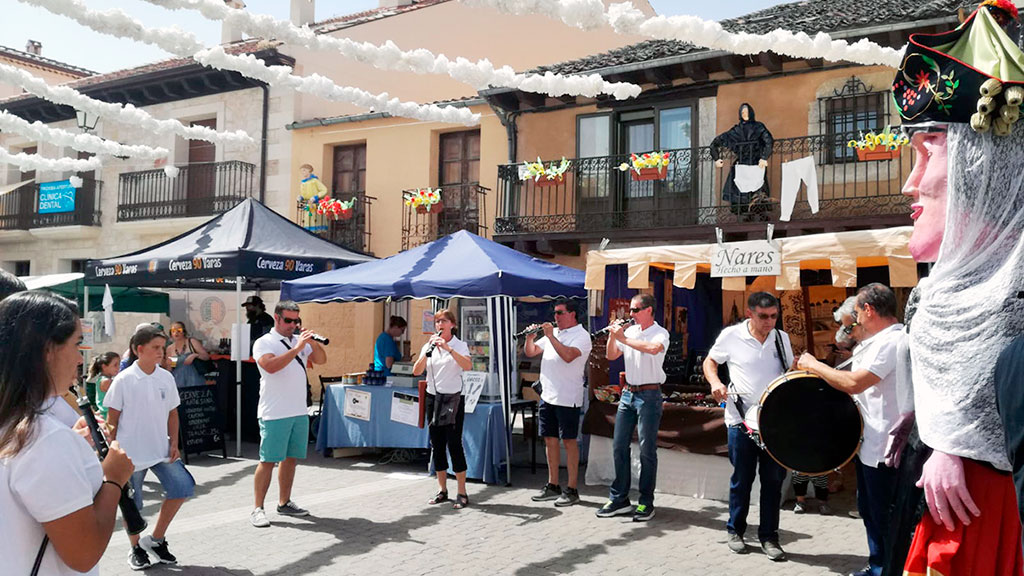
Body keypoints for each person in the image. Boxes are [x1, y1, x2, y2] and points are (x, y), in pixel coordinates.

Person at [888, 2, 1024, 573]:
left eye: (925, 155)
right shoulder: (943, 293)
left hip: (986, 513)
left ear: (982, 167)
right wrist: (930, 421)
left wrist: (960, 443)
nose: (909, 183)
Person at [0, 291, 135, 575]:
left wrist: (71, 443)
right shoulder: (43, 438)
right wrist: (114, 478)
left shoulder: (15, 423)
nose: (79, 357)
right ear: (48, 349)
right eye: (76, 344)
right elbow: (83, 553)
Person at [799, 284, 904, 576]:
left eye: (857, 312)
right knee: (870, 511)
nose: (855, 319)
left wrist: (814, 365)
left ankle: (887, 568)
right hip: (870, 443)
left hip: (886, 446)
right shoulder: (876, 341)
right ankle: (877, 564)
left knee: (884, 514)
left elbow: (854, 383)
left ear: (868, 310)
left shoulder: (891, 342)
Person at [703, 291, 793, 561]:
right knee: (742, 480)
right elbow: (710, 362)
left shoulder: (781, 338)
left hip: (773, 423)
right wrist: (715, 383)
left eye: (774, 316)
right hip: (740, 421)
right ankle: (735, 530)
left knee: (773, 482)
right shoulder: (731, 336)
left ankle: (769, 537)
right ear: (749, 314)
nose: (770, 322)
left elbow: (788, 371)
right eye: (763, 316)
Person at [104, 324, 195, 570]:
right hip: (130, 455)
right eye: (155, 348)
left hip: (160, 450)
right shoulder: (123, 380)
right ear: (139, 349)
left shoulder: (166, 377)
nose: (161, 352)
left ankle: (155, 540)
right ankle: (135, 549)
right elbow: (112, 419)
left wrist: (174, 442)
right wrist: (112, 451)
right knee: (133, 505)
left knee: (183, 486)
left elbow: (173, 413)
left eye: (162, 348)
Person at [250, 301, 327, 528]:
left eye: (296, 321)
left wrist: (311, 342)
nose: (293, 325)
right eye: (288, 320)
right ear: (277, 318)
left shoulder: (299, 341)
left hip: (298, 411)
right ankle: (257, 508)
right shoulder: (265, 342)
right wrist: (296, 349)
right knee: (268, 460)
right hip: (274, 412)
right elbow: (270, 366)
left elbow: (321, 360)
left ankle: (284, 502)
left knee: (291, 458)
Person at [596, 293, 669, 522]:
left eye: (635, 310)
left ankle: (646, 502)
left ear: (648, 310)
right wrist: (613, 335)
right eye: (630, 311)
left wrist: (624, 338)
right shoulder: (629, 331)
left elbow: (653, 349)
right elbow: (611, 354)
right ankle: (619, 499)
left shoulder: (660, 332)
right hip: (628, 393)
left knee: (647, 449)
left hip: (649, 393)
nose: (631, 314)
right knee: (619, 445)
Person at [524, 299, 593, 507]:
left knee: (569, 441)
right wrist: (529, 338)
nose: (556, 317)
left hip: (567, 397)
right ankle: (552, 484)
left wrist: (551, 337)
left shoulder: (581, 336)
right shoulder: (555, 334)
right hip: (548, 396)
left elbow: (568, 356)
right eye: (555, 313)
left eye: (560, 313)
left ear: (572, 314)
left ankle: (572, 489)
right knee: (549, 439)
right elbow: (531, 352)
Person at [413, 309, 473, 509]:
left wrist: (448, 349)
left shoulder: (459, 345)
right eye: (437, 322)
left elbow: (467, 366)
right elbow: (416, 371)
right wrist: (427, 351)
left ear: (452, 325)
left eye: (443, 321)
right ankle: (442, 489)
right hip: (433, 398)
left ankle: (462, 491)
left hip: (453, 399)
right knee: (437, 444)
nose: (439, 325)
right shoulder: (428, 345)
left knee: (454, 444)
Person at [710, 102, 774, 220]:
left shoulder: (759, 127)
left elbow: (769, 141)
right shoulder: (735, 130)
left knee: (758, 190)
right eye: (742, 112)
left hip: (756, 162)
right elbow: (715, 143)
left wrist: (764, 157)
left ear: (751, 112)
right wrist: (717, 158)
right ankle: (745, 214)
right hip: (742, 164)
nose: (745, 113)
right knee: (739, 191)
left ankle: (760, 213)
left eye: (746, 111)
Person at [165, 322, 211, 389]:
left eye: (179, 330)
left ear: (183, 332)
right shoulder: (169, 348)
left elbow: (206, 356)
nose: (176, 333)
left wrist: (195, 355)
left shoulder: (192, 342)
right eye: (173, 330)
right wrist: (170, 363)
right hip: (178, 381)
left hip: (195, 379)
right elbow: (170, 368)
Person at [86, 351, 121, 418]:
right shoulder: (106, 381)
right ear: (104, 366)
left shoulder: (102, 379)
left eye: (119, 364)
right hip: (108, 416)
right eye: (115, 365)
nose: (118, 367)